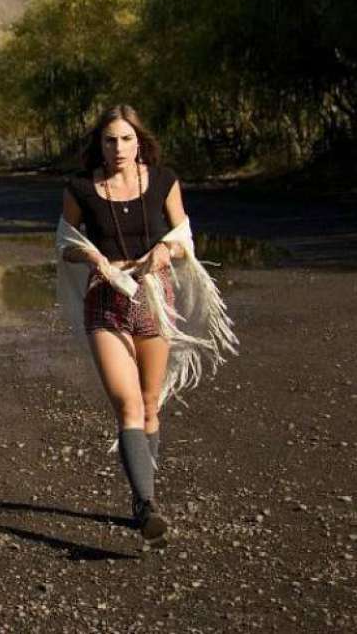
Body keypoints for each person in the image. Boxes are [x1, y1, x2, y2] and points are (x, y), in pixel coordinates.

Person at [55, 105, 233, 546]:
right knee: (128, 405)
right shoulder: (81, 188)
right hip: (104, 300)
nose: (117, 148)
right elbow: (64, 243)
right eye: (109, 140)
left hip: (155, 301)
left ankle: (142, 499)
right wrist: (92, 256)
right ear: (99, 144)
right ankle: (148, 503)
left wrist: (163, 254)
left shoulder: (164, 182)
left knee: (151, 403)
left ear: (140, 143)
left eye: (126, 139)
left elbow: (183, 237)